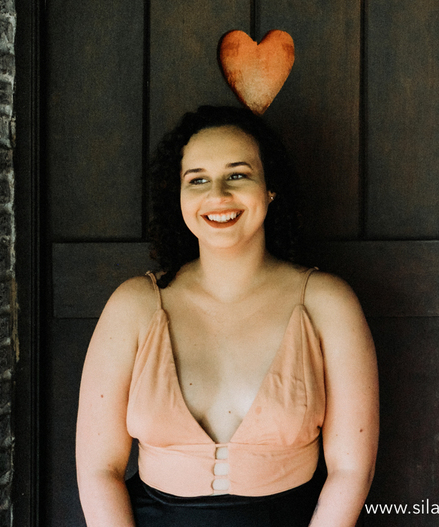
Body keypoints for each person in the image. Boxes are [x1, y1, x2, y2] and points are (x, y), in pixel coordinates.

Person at [76, 105, 378, 527]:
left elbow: (351, 471)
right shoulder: (134, 305)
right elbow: (98, 470)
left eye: (238, 174)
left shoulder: (328, 303)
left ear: (270, 188)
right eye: (197, 180)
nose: (217, 195)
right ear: (178, 197)